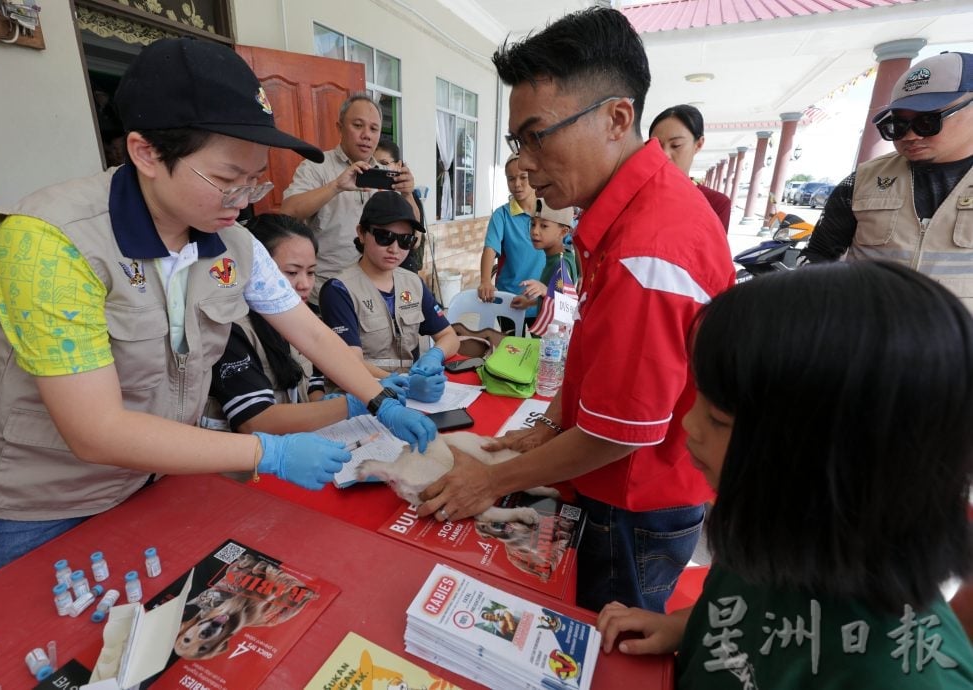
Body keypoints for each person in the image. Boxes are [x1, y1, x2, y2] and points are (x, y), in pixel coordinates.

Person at [0, 38, 436, 590]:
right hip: (31, 510)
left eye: (255, 179)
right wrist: (264, 450)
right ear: (147, 152)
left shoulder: (231, 240)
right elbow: (94, 430)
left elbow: (313, 336)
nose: (243, 200)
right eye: (227, 180)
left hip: (148, 484)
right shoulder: (50, 243)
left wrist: (380, 399)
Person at [416, 7, 736, 614]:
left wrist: (490, 481)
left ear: (617, 117)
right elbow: (601, 356)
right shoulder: (624, 216)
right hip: (620, 485)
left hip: (636, 502)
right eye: (518, 142)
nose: (525, 163)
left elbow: (618, 434)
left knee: (603, 641)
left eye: (537, 136)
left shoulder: (650, 247)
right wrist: (547, 425)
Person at [596, 262, 973, 688]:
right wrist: (686, 624)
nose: (689, 425)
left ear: (838, 463)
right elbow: (746, 617)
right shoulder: (771, 534)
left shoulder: (902, 676)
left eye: (718, 418)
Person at [803, 52, 973, 310]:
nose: (911, 136)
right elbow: (818, 255)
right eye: (897, 125)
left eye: (928, 121)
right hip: (866, 338)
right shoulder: (862, 180)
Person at [202, 214, 357, 434]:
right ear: (257, 270)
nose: (304, 284)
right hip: (249, 460)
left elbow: (311, 383)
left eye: (311, 272)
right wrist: (350, 405)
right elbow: (255, 420)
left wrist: (323, 403)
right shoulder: (229, 329)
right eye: (292, 272)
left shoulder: (304, 319)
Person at [279, 93, 420, 305]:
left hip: (375, 292)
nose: (366, 135)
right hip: (327, 291)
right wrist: (336, 186)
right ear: (340, 127)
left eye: (374, 129)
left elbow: (414, 233)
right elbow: (288, 211)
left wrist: (407, 194)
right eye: (357, 125)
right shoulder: (317, 167)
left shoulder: (384, 173)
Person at [319, 193, 458, 403]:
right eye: (384, 237)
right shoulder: (339, 290)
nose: (394, 249)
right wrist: (406, 384)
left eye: (405, 240)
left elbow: (450, 336)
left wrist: (435, 354)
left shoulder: (413, 283)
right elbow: (350, 363)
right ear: (362, 233)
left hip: (409, 396)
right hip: (361, 398)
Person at [477, 154, 545, 315]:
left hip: (543, 299)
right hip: (510, 300)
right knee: (510, 341)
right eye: (511, 179)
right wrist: (485, 281)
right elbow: (490, 248)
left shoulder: (549, 211)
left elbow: (568, 247)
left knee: (545, 341)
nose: (517, 184)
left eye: (523, 177)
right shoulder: (502, 215)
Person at [648, 104, 731, 231]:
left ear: (698, 144)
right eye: (657, 146)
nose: (664, 154)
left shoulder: (716, 203)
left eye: (676, 145)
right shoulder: (637, 195)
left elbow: (713, 250)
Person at [509, 199, 578, 317]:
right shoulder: (557, 257)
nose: (535, 231)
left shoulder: (562, 263)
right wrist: (529, 302)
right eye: (533, 224)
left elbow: (567, 305)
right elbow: (554, 296)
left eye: (544, 226)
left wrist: (545, 290)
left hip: (553, 334)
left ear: (563, 232)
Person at [375, 138, 427, 274]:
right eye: (374, 164)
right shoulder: (367, 194)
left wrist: (407, 194)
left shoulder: (409, 197)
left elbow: (416, 240)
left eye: (384, 164)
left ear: (398, 165)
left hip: (403, 270)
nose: (379, 169)